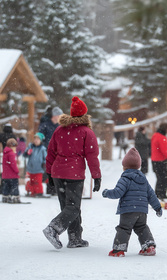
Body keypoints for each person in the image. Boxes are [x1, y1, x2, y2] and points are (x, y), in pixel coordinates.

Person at [43, 96, 101, 250]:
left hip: (58, 173)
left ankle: (75, 238)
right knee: (73, 207)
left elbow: (51, 152)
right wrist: (97, 176)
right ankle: (53, 229)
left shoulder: (59, 130)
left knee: (68, 207)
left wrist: (49, 173)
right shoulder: (86, 132)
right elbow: (92, 156)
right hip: (73, 174)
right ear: (84, 115)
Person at [102, 147, 162, 257]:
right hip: (142, 211)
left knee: (124, 228)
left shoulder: (125, 178)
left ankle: (118, 249)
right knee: (142, 227)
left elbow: (117, 192)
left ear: (124, 166)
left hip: (128, 210)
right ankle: (149, 246)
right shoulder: (143, 179)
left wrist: (106, 193)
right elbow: (151, 195)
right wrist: (157, 207)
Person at [39, 106, 63, 195]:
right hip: (47, 150)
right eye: (58, 116)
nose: (60, 118)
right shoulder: (45, 124)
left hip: (57, 151)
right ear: (54, 116)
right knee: (49, 170)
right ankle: (50, 189)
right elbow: (40, 135)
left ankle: (56, 189)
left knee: (57, 170)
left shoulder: (58, 125)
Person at [151, 123, 167, 200]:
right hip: (161, 160)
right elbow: (164, 150)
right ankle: (161, 194)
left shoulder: (155, 135)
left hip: (154, 160)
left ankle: (157, 193)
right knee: (164, 178)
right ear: (165, 129)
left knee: (159, 178)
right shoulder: (162, 137)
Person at [23, 133, 47, 197]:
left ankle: (39, 192)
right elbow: (24, 155)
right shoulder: (30, 146)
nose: (36, 140)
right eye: (35, 138)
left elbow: (45, 158)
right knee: (31, 181)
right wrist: (27, 153)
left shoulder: (42, 149)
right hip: (30, 168)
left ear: (41, 140)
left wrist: (44, 164)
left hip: (39, 168)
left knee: (38, 181)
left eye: (38, 139)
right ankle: (31, 191)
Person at [1, 138, 21, 203]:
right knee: (14, 186)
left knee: (6, 186)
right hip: (12, 175)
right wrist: (17, 171)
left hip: (6, 175)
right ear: (12, 146)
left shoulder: (5, 153)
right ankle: (15, 198)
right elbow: (13, 164)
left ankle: (5, 197)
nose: (15, 149)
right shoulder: (11, 154)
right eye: (15, 147)